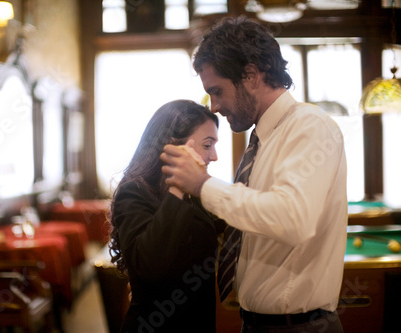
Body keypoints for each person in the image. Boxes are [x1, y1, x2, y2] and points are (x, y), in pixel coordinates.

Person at [160, 17, 347, 333]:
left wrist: (203, 184)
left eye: (217, 91)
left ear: (250, 75)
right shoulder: (262, 138)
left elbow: (293, 219)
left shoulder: (309, 126)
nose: (215, 106)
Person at [109, 99, 224, 333]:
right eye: (207, 145)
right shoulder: (135, 191)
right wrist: (177, 188)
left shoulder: (196, 193)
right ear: (174, 146)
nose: (214, 156)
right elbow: (148, 265)